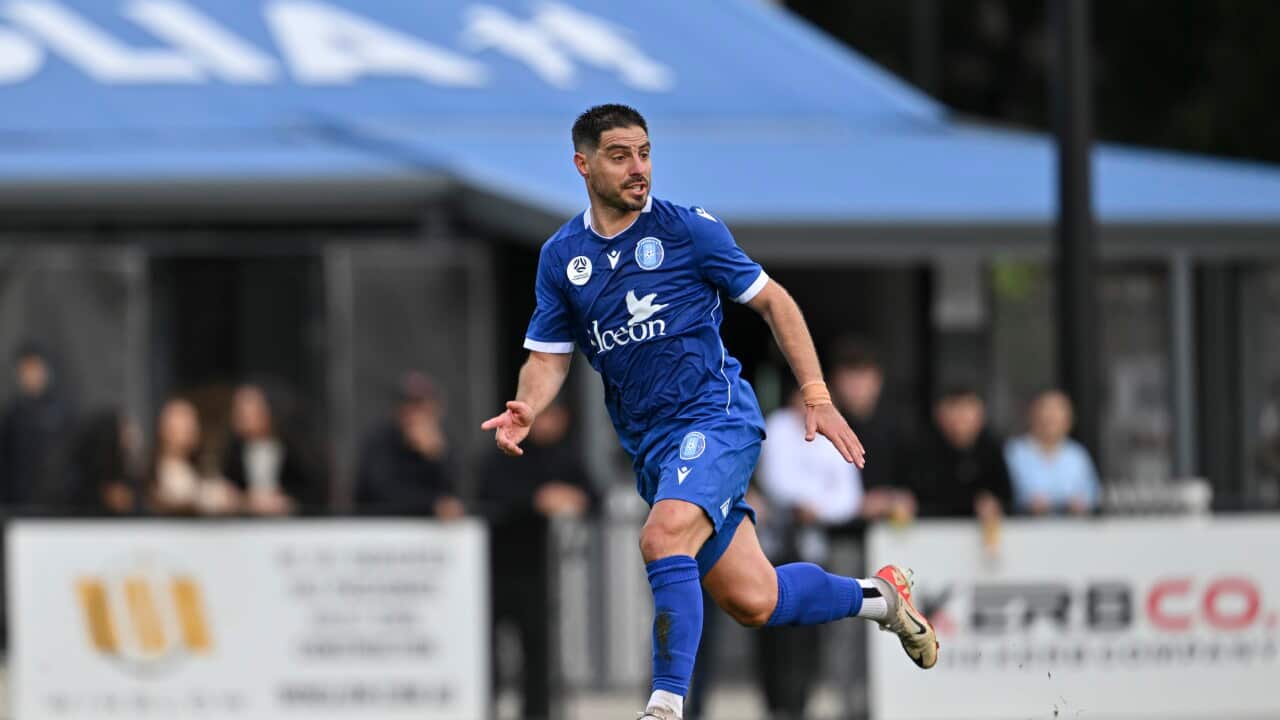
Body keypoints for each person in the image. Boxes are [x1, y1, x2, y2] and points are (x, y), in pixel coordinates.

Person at [480, 105, 937, 720]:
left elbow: (774, 303)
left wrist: (818, 394)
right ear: (582, 164)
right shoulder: (562, 257)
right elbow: (548, 357)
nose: (638, 167)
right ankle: (881, 598)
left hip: (716, 418)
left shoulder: (687, 230)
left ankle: (665, 707)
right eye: (620, 155)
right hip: (653, 449)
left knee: (661, 535)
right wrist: (527, 408)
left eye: (644, 152)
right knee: (755, 599)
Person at [478, 399, 594, 720]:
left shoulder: (565, 457)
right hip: (496, 570)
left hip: (539, 575)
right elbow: (487, 497)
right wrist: (536, 500)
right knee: (488, 656)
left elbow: (593, 495)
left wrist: (574, 498)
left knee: (538, 658)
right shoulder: (503, 451)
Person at [754, 387, 864, 720]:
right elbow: (779, 481)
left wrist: (818, 508)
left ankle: (800, 703)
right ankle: (777, 705)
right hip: (777, 548)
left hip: (816, 548)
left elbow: (848, 495)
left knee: (811, 632)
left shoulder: (833, 430)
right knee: (773, 631)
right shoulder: (779, 428)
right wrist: (812, 500)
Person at [910, 387, 1013, 547]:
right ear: (940, 415)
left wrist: (994, 504)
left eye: (968, 410)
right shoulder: (923, 448)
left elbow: (1007, 496)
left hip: (982, 543)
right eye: (955, 410)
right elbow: (921, 497)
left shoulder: (992, 448)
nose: (961, 418)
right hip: (932, 539)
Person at [354, 372, 465, 518]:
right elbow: (380, 492)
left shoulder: (444, 442)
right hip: (381, 531)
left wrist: (438, 457)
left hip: (432, 536)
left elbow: (457, 493)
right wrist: (432, 505)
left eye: (420, 405)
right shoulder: (379, 441)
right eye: (408, 405)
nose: (414, 413)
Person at [829, 338, 917, 522]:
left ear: (877, 380)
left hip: (890, 528)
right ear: (836, 381)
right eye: (849, 377)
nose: (856, 387)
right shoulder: (824, 428)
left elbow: (915, 485)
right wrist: (857, 503)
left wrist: (894, 498)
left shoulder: (899, 428)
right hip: (836, 526)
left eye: (863, 376)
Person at [221, 384, 315, 516]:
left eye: (249, 409)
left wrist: (284, 499)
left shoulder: (293, 450)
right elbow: (228, 489)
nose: (242, 416)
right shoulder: (232, 453)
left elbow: (309, 491)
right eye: (239, 410)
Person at [1004, 389, 1101, 515]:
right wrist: (1027, 504)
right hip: (1024, 530)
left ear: (1069, 420)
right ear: (1033, 415)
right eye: (1046, 411)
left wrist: (1081, 504)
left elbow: (1093, 496)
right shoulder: (1014, 453)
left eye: (1058, 412)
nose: (1051, 417)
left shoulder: (1077, 455)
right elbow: (1003, 497)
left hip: (1072, 530)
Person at [0, 344, 72, 510]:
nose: (31, 375)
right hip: (19, 502)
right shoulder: (12, 414)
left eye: (35, 369)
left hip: (57, 503)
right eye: (26, 370)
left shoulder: (62, 412)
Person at [149, 398, 240, 515]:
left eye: (192, 421)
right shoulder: (157, 472)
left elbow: (228, 496)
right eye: (182, 421)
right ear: (164, 428)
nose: (190, 427)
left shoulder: (205, 468)